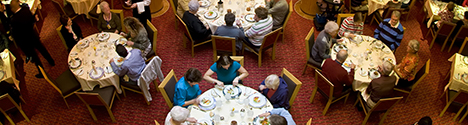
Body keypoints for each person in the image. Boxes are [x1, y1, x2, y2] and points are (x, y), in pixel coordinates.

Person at [9, 0, 55, 78]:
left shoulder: (14, 20)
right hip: (33, 35)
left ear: (13, 8)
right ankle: (51, 61)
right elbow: (31, 19)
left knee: (35, 57)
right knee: (42, 48)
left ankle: (42, 72)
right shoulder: (26, 9)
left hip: (26, 40)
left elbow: (16, 34)